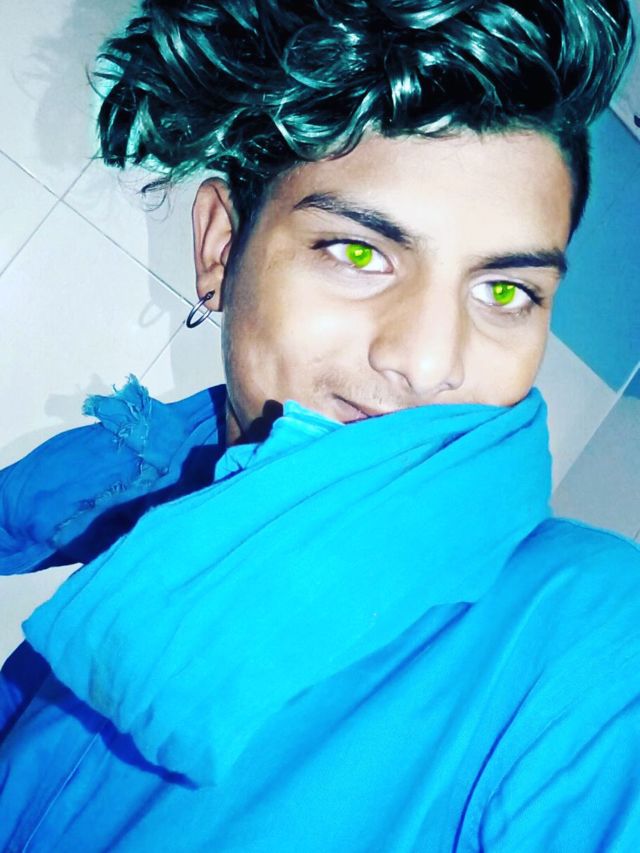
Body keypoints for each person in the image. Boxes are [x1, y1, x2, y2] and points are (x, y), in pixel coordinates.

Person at [0, 0, 638, 849]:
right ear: (220, 248)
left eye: (504, 290)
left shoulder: (597, 637)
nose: (427, 360)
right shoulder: (172, 514)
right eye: (359, 251)